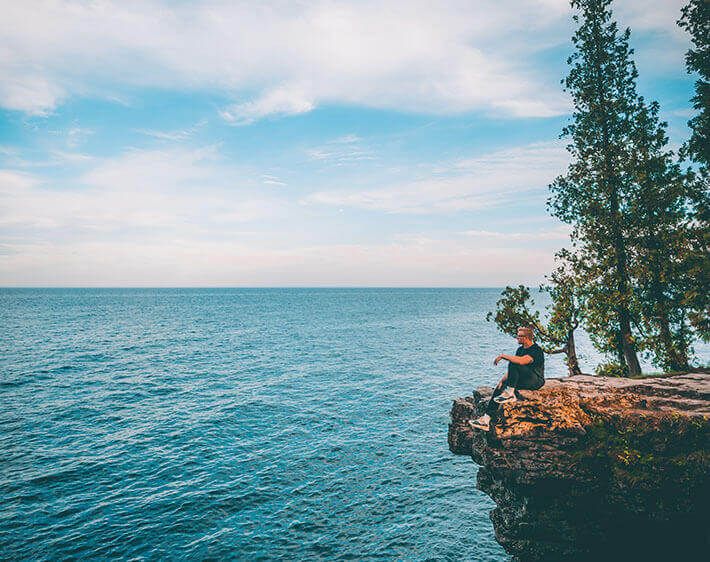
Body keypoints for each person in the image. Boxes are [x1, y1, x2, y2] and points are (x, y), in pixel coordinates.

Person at [469, 326, 545, 431]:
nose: (517, 338)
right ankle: (486, 419)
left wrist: (503, 356)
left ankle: (510, 393)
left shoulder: (536, 350)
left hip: (535, 380)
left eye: (519, 336)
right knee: (500, 387)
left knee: (514, 362)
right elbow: (514, 370)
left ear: (526, 337)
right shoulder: (520, 350)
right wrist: (502, 381)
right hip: (524, 379)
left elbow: (521, 362)